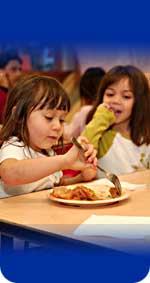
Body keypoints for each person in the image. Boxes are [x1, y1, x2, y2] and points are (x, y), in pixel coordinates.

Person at [0, 74, 97, 197]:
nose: (57, 126)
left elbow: (58, 183)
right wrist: (64, 161)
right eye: (49, 117)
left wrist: (82, 176)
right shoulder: (14, 145)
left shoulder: (48, 152)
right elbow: (10, 174)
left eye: (62, 120)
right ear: (19, 115)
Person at [82, 65, 150, 177]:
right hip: (105, 192)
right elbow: (82, 153)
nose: (116, 101)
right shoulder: (101, 133)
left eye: (126, 96)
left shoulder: (145, 137)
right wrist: (100, 118)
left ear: (139, 102)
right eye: (110, 94)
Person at [63, 67, 106, 141]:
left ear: (83, 91)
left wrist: (60, 122)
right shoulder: (107, 110)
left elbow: (68, 134)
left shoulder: (85, 111)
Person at [0, 50, 22, 124]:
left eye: (20, 69)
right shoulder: (2, 95)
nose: (19, 74)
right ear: (1, 71)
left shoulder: (17, 92)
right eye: (14, 69)